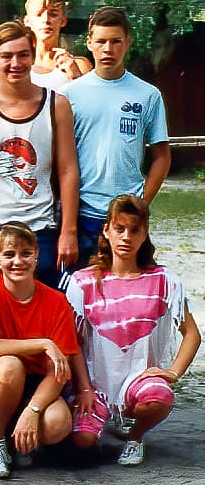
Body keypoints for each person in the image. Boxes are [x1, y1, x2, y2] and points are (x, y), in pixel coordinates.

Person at [65, 195, 200, 465]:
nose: (126, 237)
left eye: (134, 230)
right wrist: (84, 388)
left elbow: (192, 334)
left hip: (138, 380)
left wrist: (173, 372)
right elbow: (71, 341)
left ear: (144, 234)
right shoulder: (82, 282)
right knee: (83, 441)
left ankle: (134, 436)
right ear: (107, 230)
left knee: (159, 397)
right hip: (94, 383)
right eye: (120, 228)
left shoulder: (163, 281)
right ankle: (99, 420)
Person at [0, 21, 80, 287]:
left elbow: (68, 169)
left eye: (23, 54)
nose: (15, 63)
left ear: (33, 56)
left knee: (40, 305)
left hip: (40, 228)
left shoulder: (56, 105)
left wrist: (68, 231)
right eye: (7, 56)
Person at [0, 223, 93, 479]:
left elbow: (58, 372)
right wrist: (43, 343)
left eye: (25, 253)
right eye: (9, 254)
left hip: (36, 384)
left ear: (36, 255)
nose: (18, 262)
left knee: (57, 423)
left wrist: (33, 410)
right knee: (10, 365)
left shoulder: (56, 301)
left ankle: (18, 440)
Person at [61, 6, 171, 267]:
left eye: (115, 41)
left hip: (127, 215)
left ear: (127, 42)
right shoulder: (68, 95)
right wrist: (68, 223)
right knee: (82, 286)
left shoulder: (147, 94)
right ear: (89, 42)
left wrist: (141, 202)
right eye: (101, 41)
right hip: (83, 212)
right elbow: (61, 161)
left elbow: (162, 157)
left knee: (128, 284)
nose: (108, 49)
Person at [22, 0, 92, 90]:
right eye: (39, 14)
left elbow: (89, 99)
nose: (46, 20)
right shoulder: (16, 65)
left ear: (63, 21)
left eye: (53, 14)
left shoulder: (79, 65)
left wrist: (75, 76)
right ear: (27, 21)